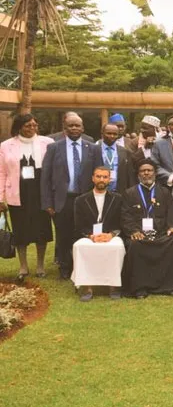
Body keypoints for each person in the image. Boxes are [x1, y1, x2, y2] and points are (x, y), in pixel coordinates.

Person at [41, 114, 101, 280]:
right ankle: (65, 267)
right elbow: (45, 177)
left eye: (77, 125)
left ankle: (81, 266)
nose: (74, 128)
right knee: (63, 235)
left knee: (84, 233)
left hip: (85, 199)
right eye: (70, 125)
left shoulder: (93, 149)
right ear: (64, 128)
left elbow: (99, 174)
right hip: (63, 199)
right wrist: (48, 203)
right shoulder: (54, 148)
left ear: (83, 128)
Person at [0, 114, 53, 282]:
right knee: (20, 230)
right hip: (17, 193)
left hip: (40, 193)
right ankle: (23, 266)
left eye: (34, 125)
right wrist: (0, 197)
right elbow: (1, 172)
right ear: (19, 127)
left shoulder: (48, 143)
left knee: (42, 229)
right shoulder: (6, 146)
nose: (32, 128)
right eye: (28, 125)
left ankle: (40, 266)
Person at [121, 159, 173, 298]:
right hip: (139, 234)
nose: (146, 173)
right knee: (134, 245)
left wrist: (172, 226)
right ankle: (139, 288)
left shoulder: (165, 192)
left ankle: (170, 286)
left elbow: (172, 212)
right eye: (143, 171)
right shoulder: (129, 193)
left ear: (155, 174)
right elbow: (126, 216)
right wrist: (134, 231)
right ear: (138, 174)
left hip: (161, 233)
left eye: (149, 170)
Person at [71, 166, 125, 301]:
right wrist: (91, 236)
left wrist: (110, 235)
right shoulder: (81, 200)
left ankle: (113, 286)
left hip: (110, 236)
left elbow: (121, 222)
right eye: (98, 176)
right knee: (79, 247)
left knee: (117, 247)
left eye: (105, 177)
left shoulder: (117, 199)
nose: (101, 179)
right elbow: (78, 225)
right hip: (89, 236)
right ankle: (87, 287)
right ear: (93, 178)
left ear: (109, 179)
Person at [95, 123, 136, 194]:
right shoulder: (94, 150)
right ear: (102, 133)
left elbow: (130, 175)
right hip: (98, 191)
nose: (112, 136)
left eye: (115, 134)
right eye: (109, 133)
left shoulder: (125, 152)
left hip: (119, 192)